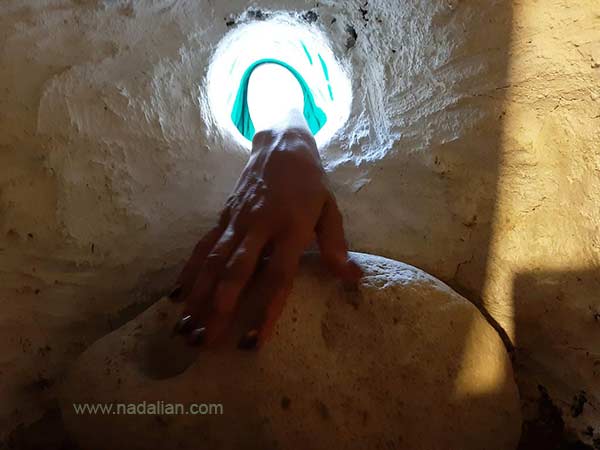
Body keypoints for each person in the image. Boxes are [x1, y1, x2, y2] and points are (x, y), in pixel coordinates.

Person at [170, 64, 362, 349]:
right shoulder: (250, 82)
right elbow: (266, 78)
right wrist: (283, 136)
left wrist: (289, 137)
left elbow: (281, 85)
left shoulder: (311, 79)